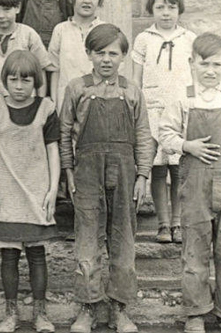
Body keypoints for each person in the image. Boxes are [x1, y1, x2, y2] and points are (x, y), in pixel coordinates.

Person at [158, 33, 221, 333]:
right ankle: (195, 312)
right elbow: (165, 134)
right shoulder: (182, 98)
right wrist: (187, 146)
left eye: (217, 64)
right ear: (192, 63)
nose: (210, 71)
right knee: (195, 251)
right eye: (204, 64)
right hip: (194, 187)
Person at [60, 24, 154, 333]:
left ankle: (120, 309)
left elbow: (143, 136)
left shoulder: (131, 91)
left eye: (113, 53)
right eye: (99, 52)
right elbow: (64, 135)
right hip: (87, 172)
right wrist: (69, 172)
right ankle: (88, 307)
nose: (106, 59)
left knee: (122, 238)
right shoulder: (77, 88)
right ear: (88, 54)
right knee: (87, 239)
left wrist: (142, 175)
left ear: (123, 56)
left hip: (125, 172)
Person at [0, 51, 60, 333]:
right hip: (5, 189)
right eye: (13, 79)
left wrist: (53, 189)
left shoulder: (47, 108)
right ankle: (10, 313)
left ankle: (40, 313)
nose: (18, 86)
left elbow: (53, 150)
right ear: (4, 80)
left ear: (36, 81)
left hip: (37, 189)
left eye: (25, 80)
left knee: (37, 253)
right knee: (9, 255)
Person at [131, 0, 195, 244]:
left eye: (172, 7)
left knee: (178, 167)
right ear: (151, 10)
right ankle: (163, 224)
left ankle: (178, 223)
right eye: (160, 7)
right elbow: (136, 79)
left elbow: (195, 79)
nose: (166, 13)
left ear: (179, 10)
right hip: (153, 110)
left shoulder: (188, 39)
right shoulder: (144, 39)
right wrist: (138, 107)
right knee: (157, 167)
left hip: (180, 112)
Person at [48, 0, 106, 114]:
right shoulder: (61, 30)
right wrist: (55, 102)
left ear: (99, 0)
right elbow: (55, 69)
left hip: (97, 103)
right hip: (67, 102)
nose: (87, 1)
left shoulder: (105, 29)